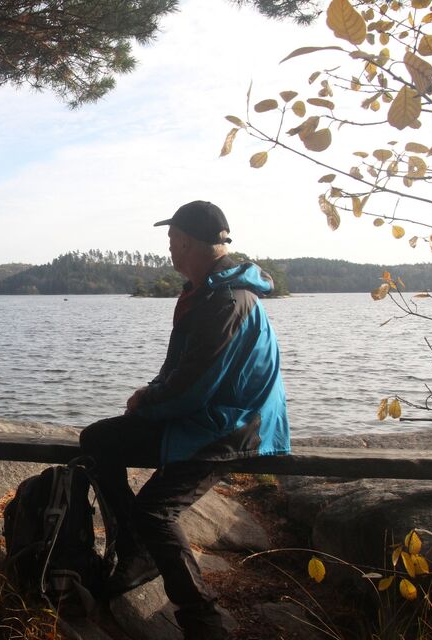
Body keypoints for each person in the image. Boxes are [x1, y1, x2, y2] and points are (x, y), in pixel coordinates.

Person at [79, 200, 289, 639]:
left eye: (172, 239)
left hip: (233, 427)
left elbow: (194, 386)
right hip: (208, 416)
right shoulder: (206, 292)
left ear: (189, 243)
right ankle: (136, 552)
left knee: (154, 512)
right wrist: (150, 394)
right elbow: (180, 370)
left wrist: (147, 402)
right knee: (99, 440)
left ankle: (205, 622)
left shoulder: (226, 301)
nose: (170, 248)